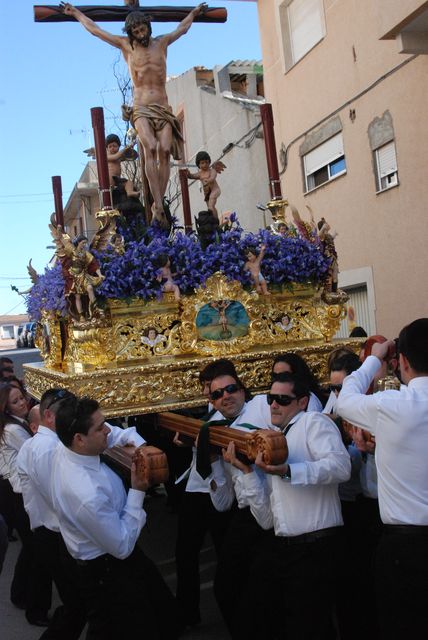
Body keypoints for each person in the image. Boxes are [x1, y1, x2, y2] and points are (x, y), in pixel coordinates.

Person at [61, 2, 207, 226]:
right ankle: (158, 204)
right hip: (141, 108)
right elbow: (96, 30)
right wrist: (77, 14)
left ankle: (159, 201)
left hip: (162, 107)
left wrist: (195, 13)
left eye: (143, 29)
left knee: (165, 150)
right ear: (131, 33)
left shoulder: (162, 43)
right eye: (136, 31)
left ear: (148, 27)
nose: (141, 34)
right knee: (149, 146)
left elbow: (182, 28)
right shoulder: (125, 47)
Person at [232, 372, 351, 639]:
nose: (274, 405)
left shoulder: (313, 422)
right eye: (270, 398)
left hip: (317, 547)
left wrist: (288, 471)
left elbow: (341, 467)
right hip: (285, 549)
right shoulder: (273, 439)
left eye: (283, 400)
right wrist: (247, 473)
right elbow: (267, 520)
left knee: (310, 627)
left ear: (303, 402)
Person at [52, 395, 180, 639]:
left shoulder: (68, 446)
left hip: (115, 555)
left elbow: (118, 435)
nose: (108, 429)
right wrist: (138, 491)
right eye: (100, 427)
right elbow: (121, 545)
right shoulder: (85, 493)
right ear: (79, 439)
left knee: (162, 609)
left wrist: (140, 447)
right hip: (107, 568)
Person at [336, 318, 428, 639]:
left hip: (405, 545)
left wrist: (373, 356)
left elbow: (345, 400)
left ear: (401, 361)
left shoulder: (393, 404)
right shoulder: (392, 405)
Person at [200, 371, 274, 636]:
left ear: (243, 390)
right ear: (212, 401)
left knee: (262, 597)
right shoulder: (216, 427)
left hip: (275, 513)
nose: (226, 396)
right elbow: (222, 503)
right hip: (246, 515)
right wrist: (209, 459)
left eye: (231, 389)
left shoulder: (264, 406)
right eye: (217, 394)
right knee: (225, 588)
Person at [17, 388, 87, 639]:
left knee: (78, 604)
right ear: (48, 416)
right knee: (77, 604)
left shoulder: (44, 444)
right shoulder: (47, 448)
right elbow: (58, 498)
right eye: (65, 413)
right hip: (54, 533)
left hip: (51, 531)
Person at [0, 383, 52, 625]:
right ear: (5, 407)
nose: (22, 403)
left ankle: (20, 594)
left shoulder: (13, 424)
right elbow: (33, 452)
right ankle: (35, 609)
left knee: (31, 548)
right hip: (16, 494)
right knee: (38, 550)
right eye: (15, 401)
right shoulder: (12, 429)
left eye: (22, 398)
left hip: (14, 493)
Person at [186, 151, 225, 219]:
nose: (205, 165)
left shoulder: (212, 170)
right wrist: (188, 174)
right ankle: (212, 220)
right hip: (207, 193)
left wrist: (208, 180)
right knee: (209, 209)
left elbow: (213, 177)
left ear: (209, 162)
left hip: (215, 190)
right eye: (202, 163)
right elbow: (192, 176)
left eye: (206, 162)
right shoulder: (200, 174)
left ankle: (216, 221)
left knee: (211, 206)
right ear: (199, 164)